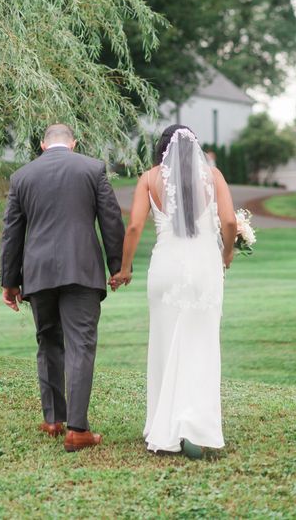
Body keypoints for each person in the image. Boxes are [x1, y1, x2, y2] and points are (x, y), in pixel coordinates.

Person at [111, 124, 237, 458]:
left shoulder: (149, 178)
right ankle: (197, 429)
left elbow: (135, 226)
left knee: (165, 345)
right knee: (202, 344)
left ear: (162, 150)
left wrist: (124, 269)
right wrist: (226, 255)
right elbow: (229, 223)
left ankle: (164, 428)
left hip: (166, 267)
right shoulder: (215, 176)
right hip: (204, 268)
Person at [0, 123, 125, 452]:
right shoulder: (92, 168)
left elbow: (12, 233)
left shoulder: (22, 177)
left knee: (48, 341)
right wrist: (117, 266)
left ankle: (54, 418)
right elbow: (110, 219)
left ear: (42, 145)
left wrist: (9, 281)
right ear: (74, 143)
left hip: (39, 273)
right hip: (81, 269)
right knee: (80, 345)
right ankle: (78, 430)